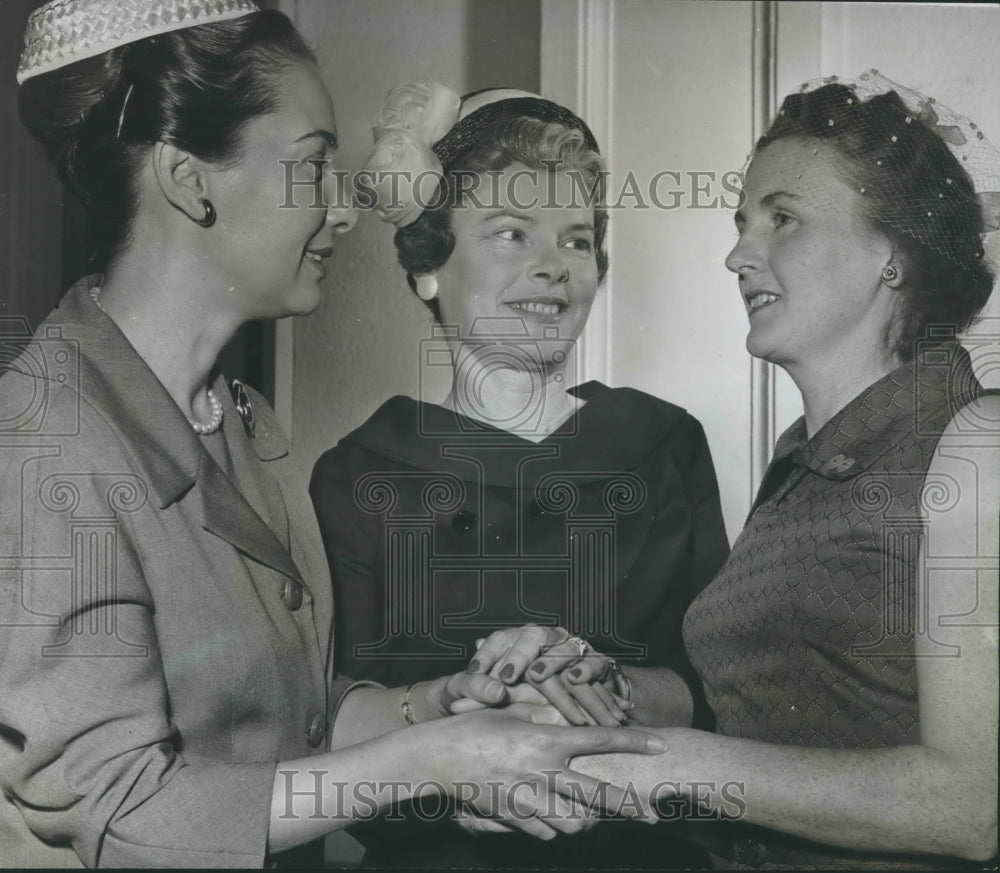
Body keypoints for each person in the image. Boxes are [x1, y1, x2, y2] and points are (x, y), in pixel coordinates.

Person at [0, 3, 668, 867]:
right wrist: (423, 761)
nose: (346, 210)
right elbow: (123, 810)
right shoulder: (40, 443)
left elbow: (294, 716)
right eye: (313, 165)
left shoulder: (239, 422)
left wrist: (434, 707)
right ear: (189, 179)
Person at [566, 72, 1000, 868]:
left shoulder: (976, 442)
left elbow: (976, 805)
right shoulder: (799, 455)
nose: (738, 253)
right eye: (742, 222)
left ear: (892, 254)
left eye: (783, 219)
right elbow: (756, 696)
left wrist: (677, 769)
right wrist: (610, 692)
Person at [309, 82, 730, 867]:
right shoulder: (359, 474)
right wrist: (464, 756)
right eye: (512, 233)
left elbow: (715, 692)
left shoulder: (662, 442)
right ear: (428, 267)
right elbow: (338, 729)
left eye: (576, 240)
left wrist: (612, 688)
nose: (553, 268)